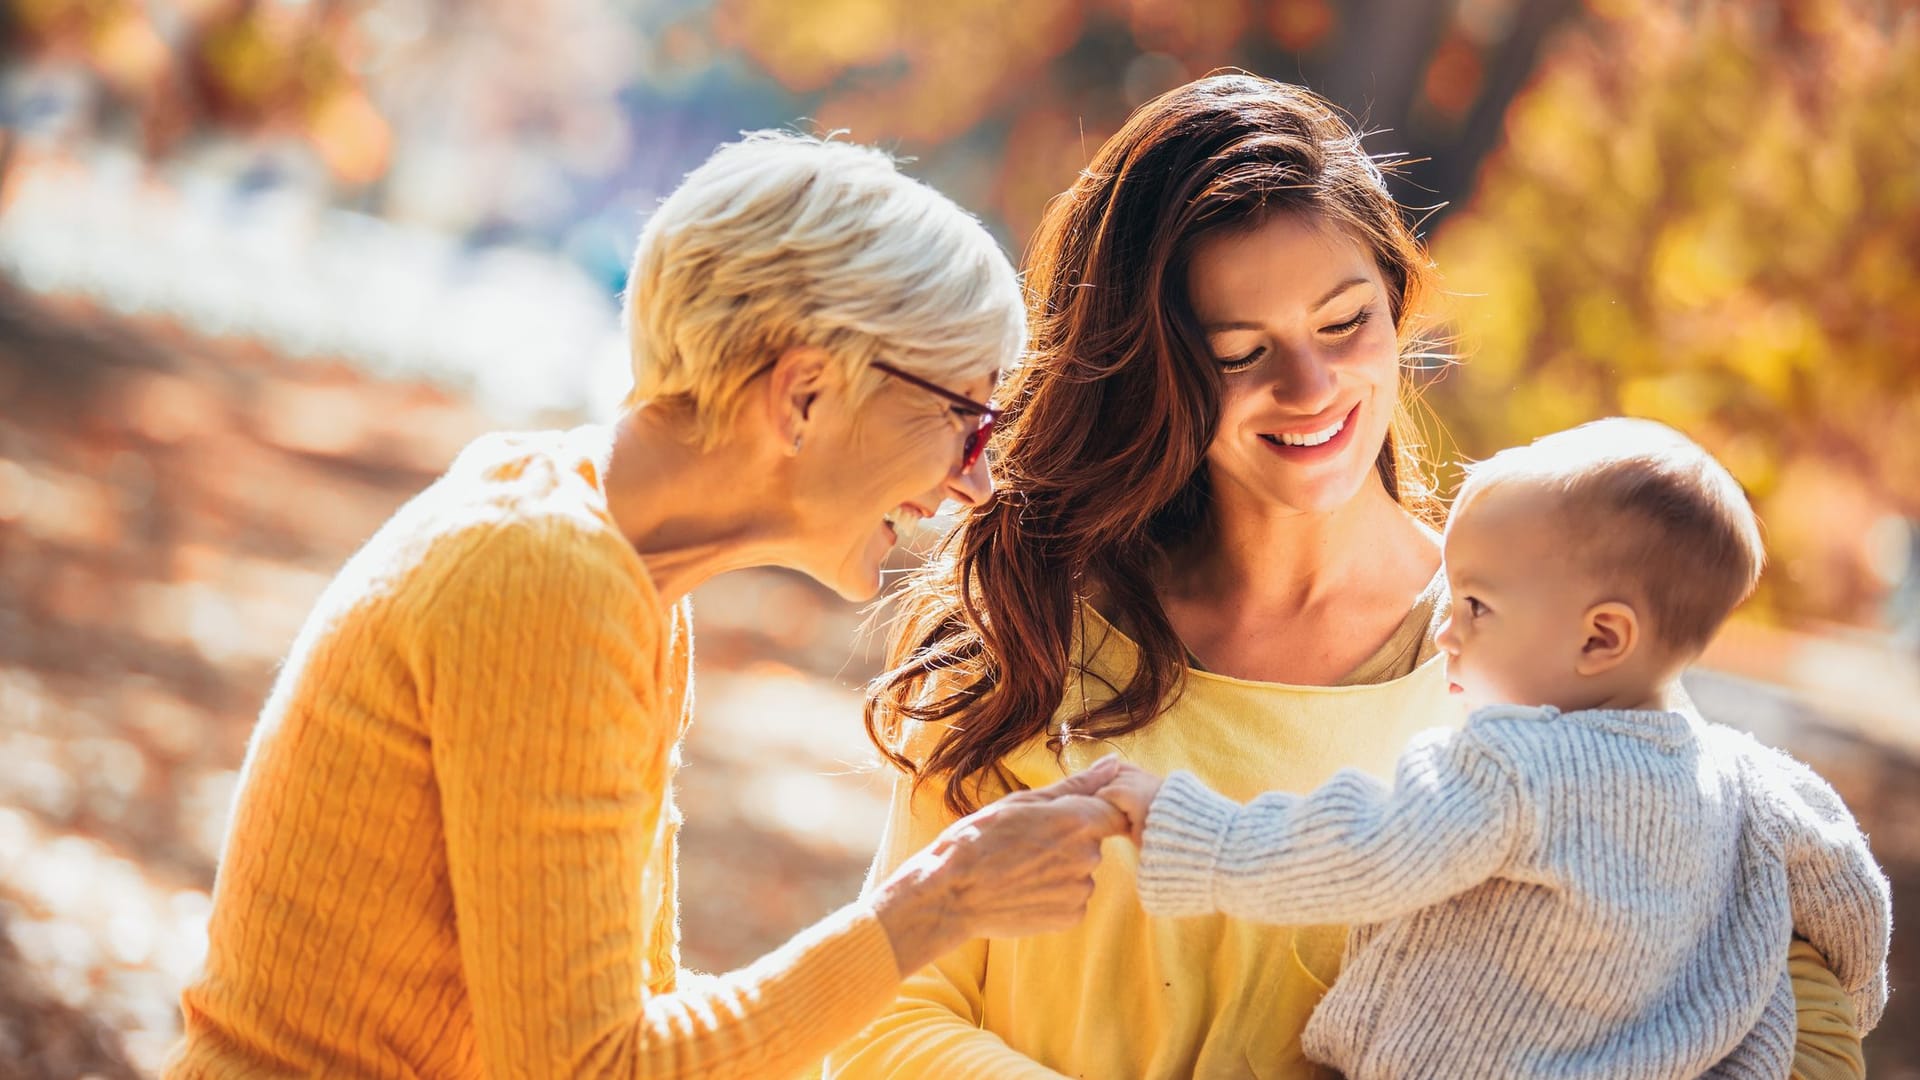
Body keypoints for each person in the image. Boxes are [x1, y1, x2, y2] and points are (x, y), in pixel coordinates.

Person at [825, 74, 1869, 1079]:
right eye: (1239, 351)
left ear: (1397, 303)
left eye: (1344, 324)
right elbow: (885, 1017)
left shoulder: (1536, 658)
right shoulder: (1041, 636)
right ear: (1154, 371)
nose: (1310, 388)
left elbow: (1762, 974)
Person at [163, 131, 1130, 1079]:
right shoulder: (542, 579)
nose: (977, 483)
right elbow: (585, 1068)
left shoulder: (620, 565)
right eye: (967, 419)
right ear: (803, 395)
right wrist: (937, 903)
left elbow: (626, 1014)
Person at [1096, 418, 1892, 1079]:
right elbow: (1854, 903)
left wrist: (1193, 829)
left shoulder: (1514, 770)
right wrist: (1853, 1006)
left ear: (1601, 636)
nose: (1445, 626)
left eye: (1476, 604)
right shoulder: (1749, 779)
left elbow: (1363, 850)